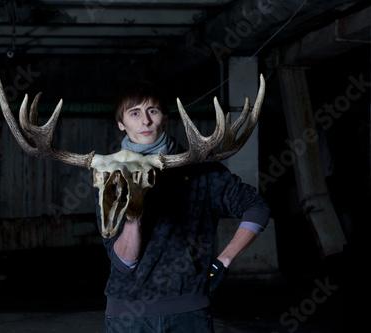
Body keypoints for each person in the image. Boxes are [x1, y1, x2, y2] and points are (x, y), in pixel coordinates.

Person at [95, 82, 270, 333]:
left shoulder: (201, 169)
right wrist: (134, 209)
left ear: (165, 119)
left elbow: (256, 207)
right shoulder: (110, 176)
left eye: (152, 111)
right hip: (127, 315)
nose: (145, 121)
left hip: (188, 311)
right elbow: (125, 263)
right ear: (121, 123)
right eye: (134, 113)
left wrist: (225, 259)